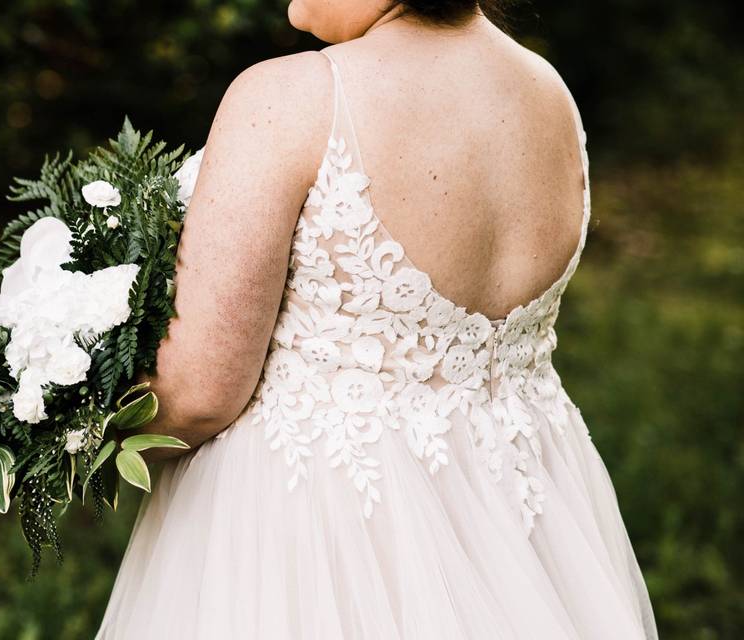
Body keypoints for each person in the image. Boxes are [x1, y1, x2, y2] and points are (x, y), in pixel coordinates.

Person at [98, 2, 659, 637]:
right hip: (528, 517)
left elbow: (200, 395)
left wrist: (52, 408)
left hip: (324, 532)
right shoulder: (547, 92)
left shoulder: (290, 98)